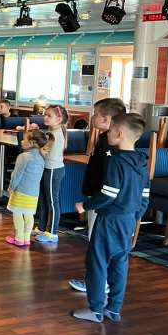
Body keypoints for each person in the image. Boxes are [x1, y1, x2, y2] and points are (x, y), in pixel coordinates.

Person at [72, 112, 149, 323]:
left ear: (119, 134)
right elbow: (144, 196)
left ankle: (96, 310)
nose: (108, 134)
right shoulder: (142, 161)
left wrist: (85, 205)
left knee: (97, 262)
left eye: (111, 130)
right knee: (120, 263)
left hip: (110, 220)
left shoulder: (115, 160)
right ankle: (114, 309)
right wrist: (135, 218)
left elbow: (108, 194)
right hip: (128, 219)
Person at [68, 98, 127, 293]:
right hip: (102, 199)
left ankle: (97, 283)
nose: (92, 117)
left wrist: (91, 202)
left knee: (97, 242)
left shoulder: (107, 144)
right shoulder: (105, 140)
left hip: (101, 200)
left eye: (95, 114)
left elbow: (107, 176)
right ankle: (103, 281)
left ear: (106, 119)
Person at [5, 130, 52, 247]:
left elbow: (17, 175)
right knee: (29, 215)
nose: (22, 141)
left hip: (20, 191)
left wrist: (11, 187)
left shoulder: (23, 157)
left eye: (24, 139)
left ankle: (19, 238)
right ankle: (26, 239)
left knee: (17, 214)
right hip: (34, 193)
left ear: (31, 143)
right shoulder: (41, 158)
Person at [35, 105, 69, 243]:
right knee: (43, 199)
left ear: (59, 119)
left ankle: (53, 232)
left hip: (53, 170)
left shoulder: (53, 134)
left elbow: (44, 152)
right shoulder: (53, 131)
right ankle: (42, 228)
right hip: (49, 168)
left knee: (52, 202)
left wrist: (35, 147)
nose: (45, 117)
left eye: (49, 115)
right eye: (45, 114)